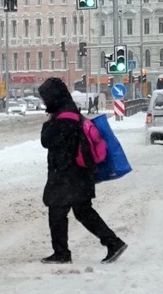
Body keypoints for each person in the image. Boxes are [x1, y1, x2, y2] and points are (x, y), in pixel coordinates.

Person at [37, 78, 127, 265]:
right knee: (82, 211)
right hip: (79, 173)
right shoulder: (71, 112)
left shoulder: (64, 117)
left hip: (68, 174)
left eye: (45, 98)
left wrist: (49, 122)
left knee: (58, 210)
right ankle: (113, 243)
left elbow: (47, 140)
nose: (44, 102)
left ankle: (62, 253)